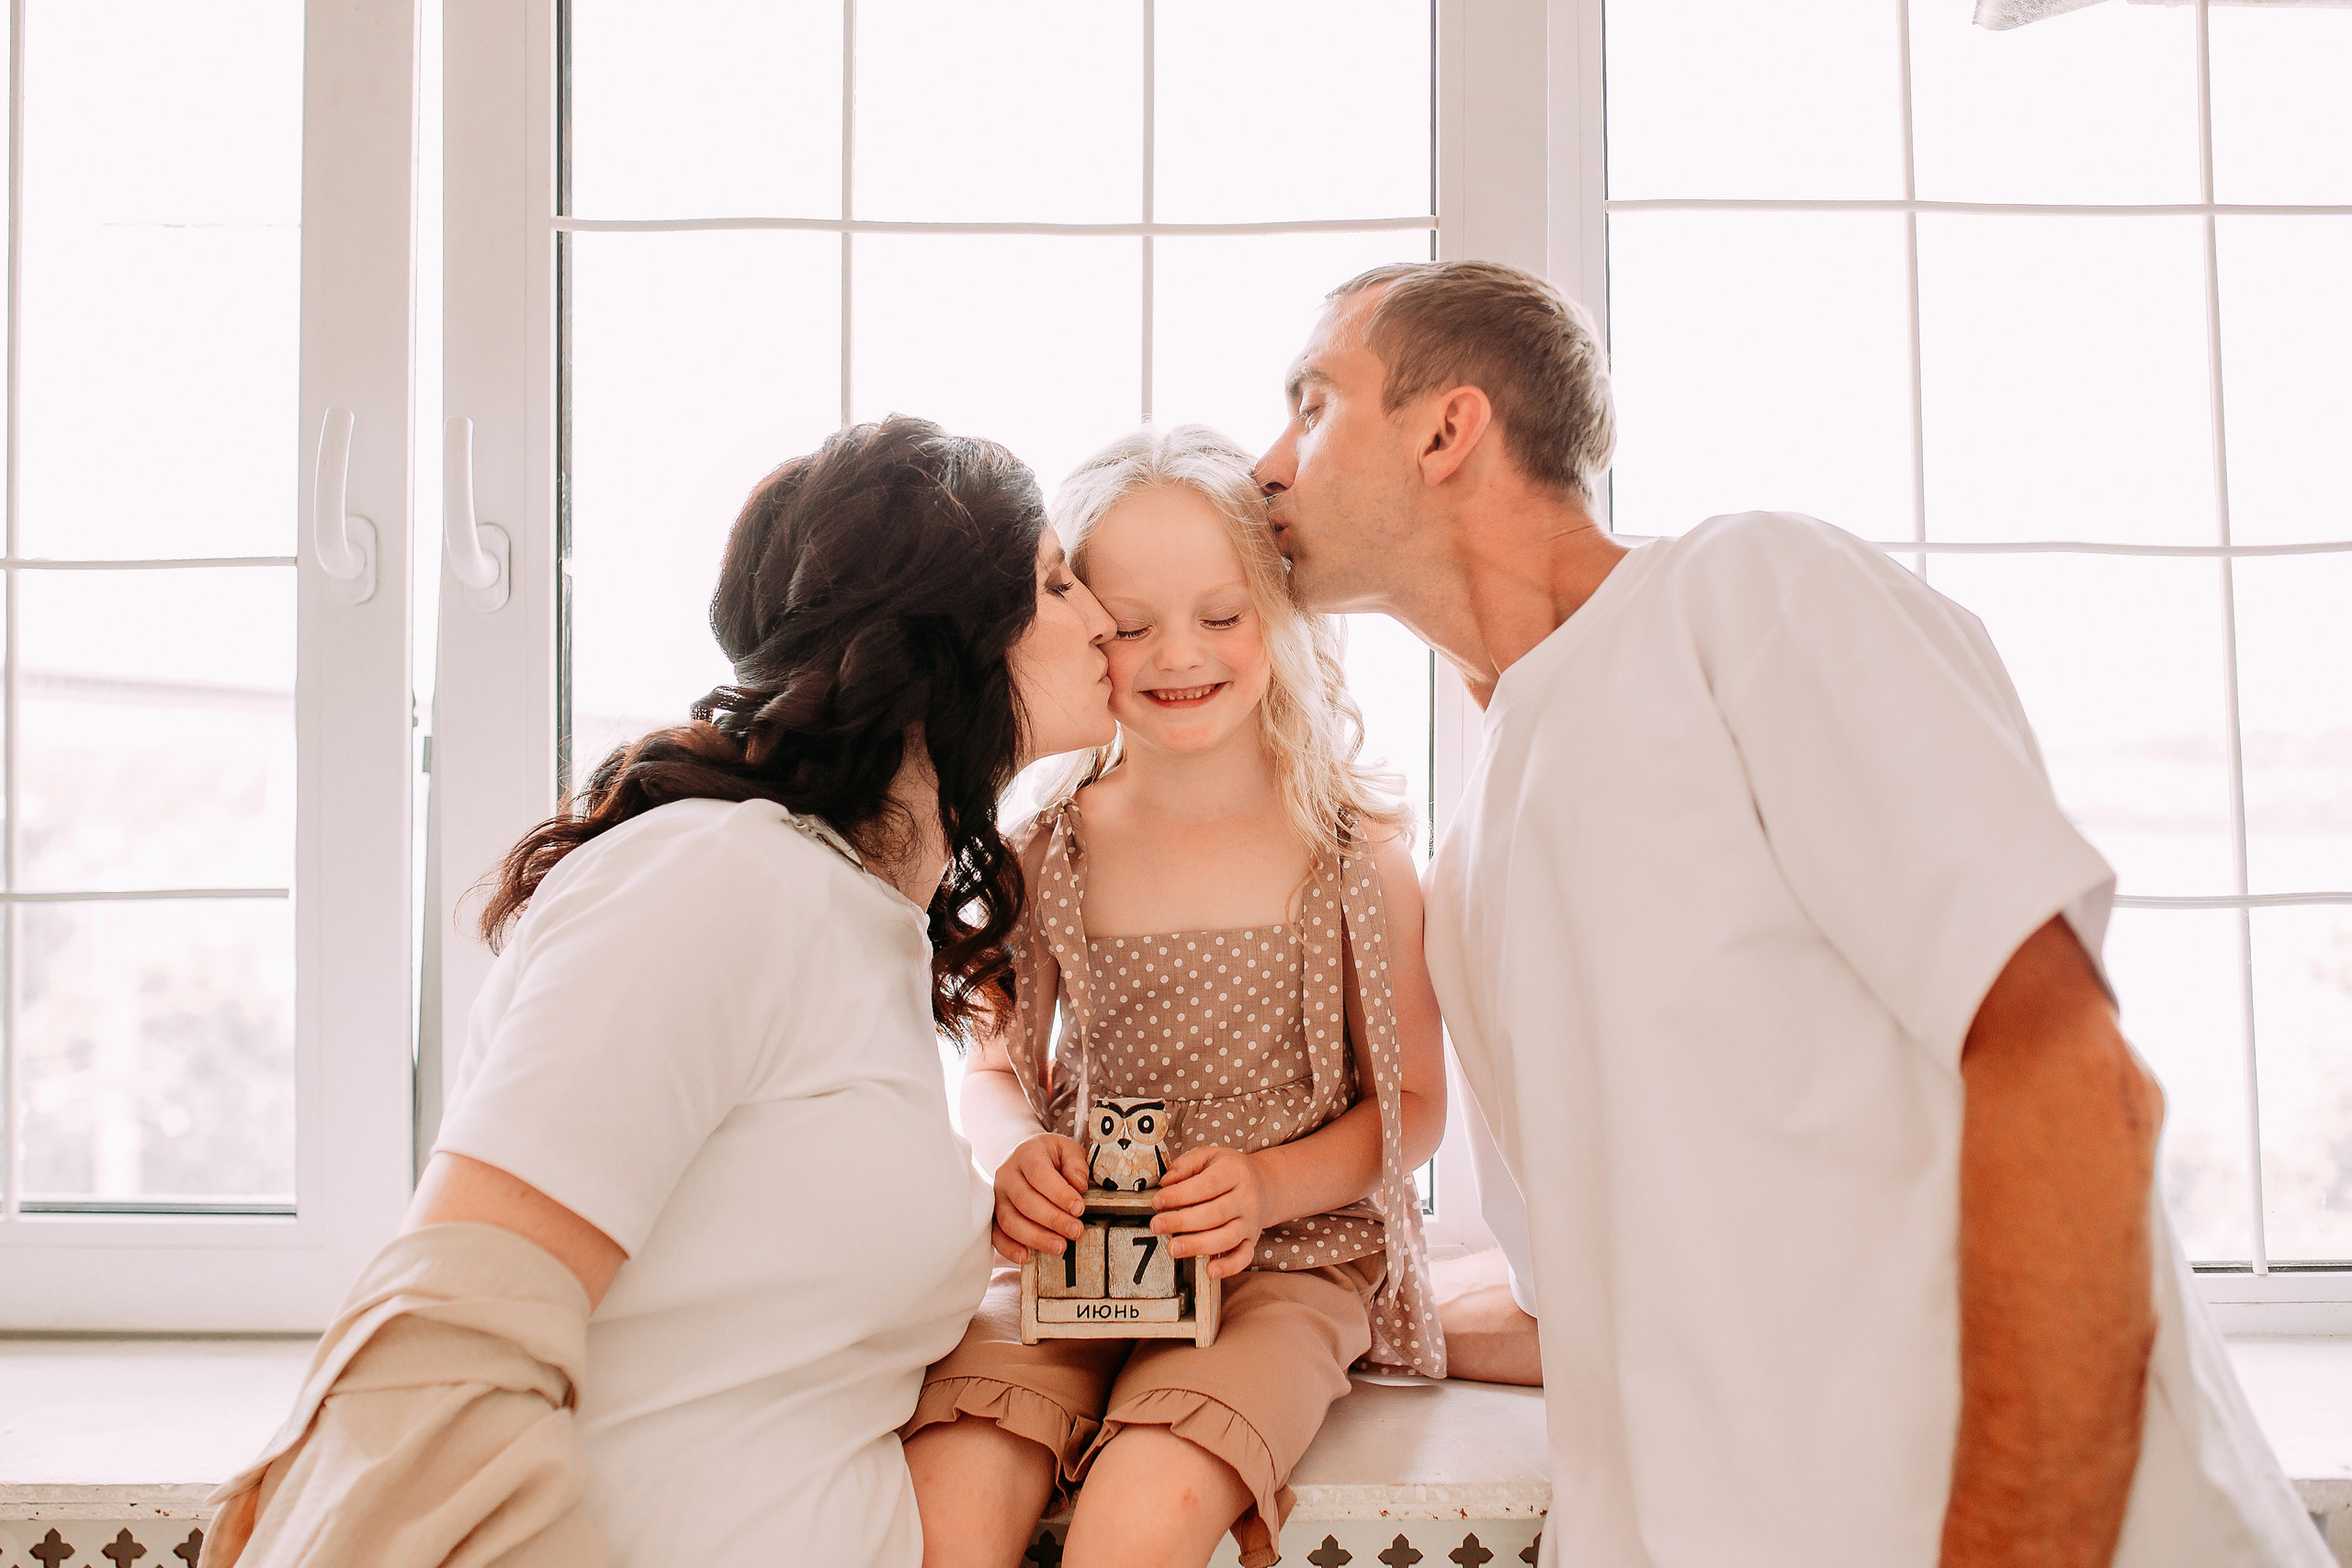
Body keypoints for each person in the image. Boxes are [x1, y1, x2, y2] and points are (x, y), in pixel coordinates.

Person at [1253, 260, 2331, 1568]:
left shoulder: (1747, 591)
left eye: (1311, 404)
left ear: (1446, 426)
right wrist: (1296, 1293)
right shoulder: (1476, 841)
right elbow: (1589, 1302)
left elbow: (2072, 1080)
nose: (1268, 464)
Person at [202, 417, 1119, 1568]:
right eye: (1054, 582)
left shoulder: (860, 930)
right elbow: (448, 1335)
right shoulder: (716, 876)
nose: (1102, 616)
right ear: (948, 638)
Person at [900, 425, 1450, 1568]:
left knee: (1138, 1518)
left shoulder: (1352, 857)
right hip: (1070, 1268)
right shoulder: (1042, 848)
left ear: (1277, 613)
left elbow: (1410, 1104)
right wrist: (1014, 1154)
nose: (1174, 654)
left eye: (1220, 615)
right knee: (948, 1500)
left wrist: (1262, 1184)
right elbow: (998, 1069)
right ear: (1078, 634)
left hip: (1285, 1266)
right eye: (1129, 624)